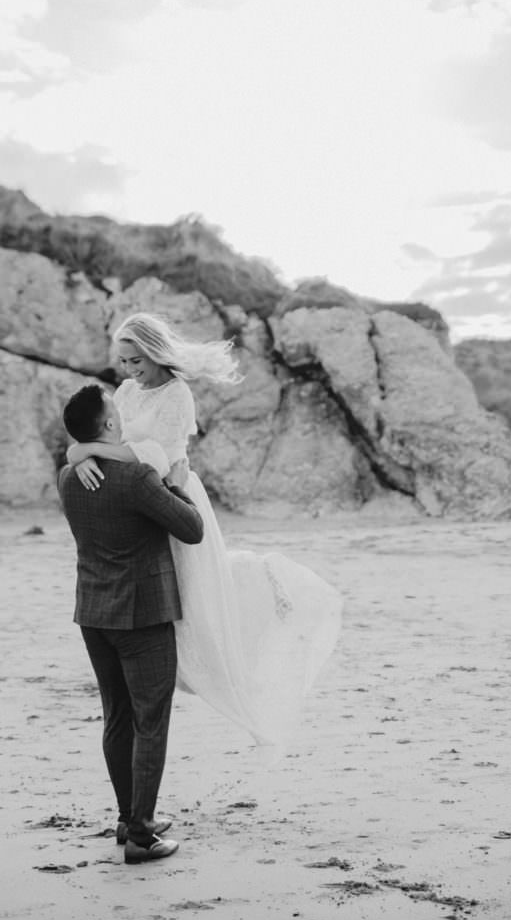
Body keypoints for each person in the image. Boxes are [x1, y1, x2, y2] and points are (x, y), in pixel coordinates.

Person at [66, 313, 343, 749]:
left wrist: (87, 449)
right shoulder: (123, 391)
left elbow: (157, 457)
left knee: (197, 595)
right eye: (123, 361)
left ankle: (263, 590)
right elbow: (108, 437)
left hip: (171, 491)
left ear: (155, 352)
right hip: (137, 495)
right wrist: (80, 453)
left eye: (136, 359)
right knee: (168, 597)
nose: (130, 369)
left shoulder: (177, 395)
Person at [58, 383, 204, 864]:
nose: (121, 415)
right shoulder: (137, 478)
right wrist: (173, 482)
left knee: (117, 718)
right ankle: (142, 836)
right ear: (108, 425)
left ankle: (128, 818)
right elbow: (192, 529)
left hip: (94, 613)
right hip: (142, 613)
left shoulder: (69, 476)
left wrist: (82, 453)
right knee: (150, 723)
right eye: (113, 412)